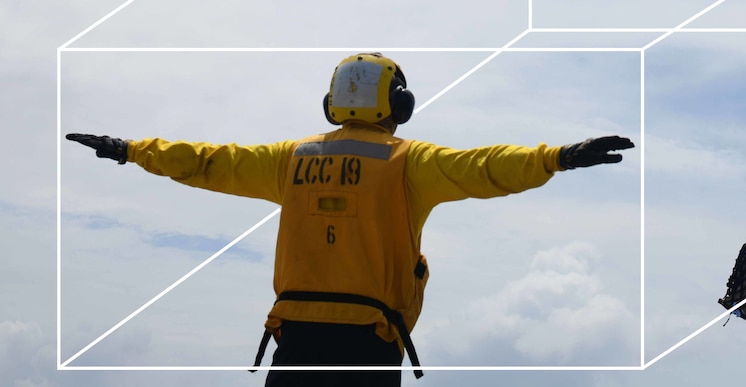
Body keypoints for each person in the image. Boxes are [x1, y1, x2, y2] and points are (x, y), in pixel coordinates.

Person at [66, 52, 634, 386]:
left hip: (295, 338)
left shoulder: (289, 160)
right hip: (368, 341)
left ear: (331, 104)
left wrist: (131, 149)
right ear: (400, 106)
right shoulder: (412, 163)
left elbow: (209, 162)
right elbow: (484, 167)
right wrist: (556, 157)